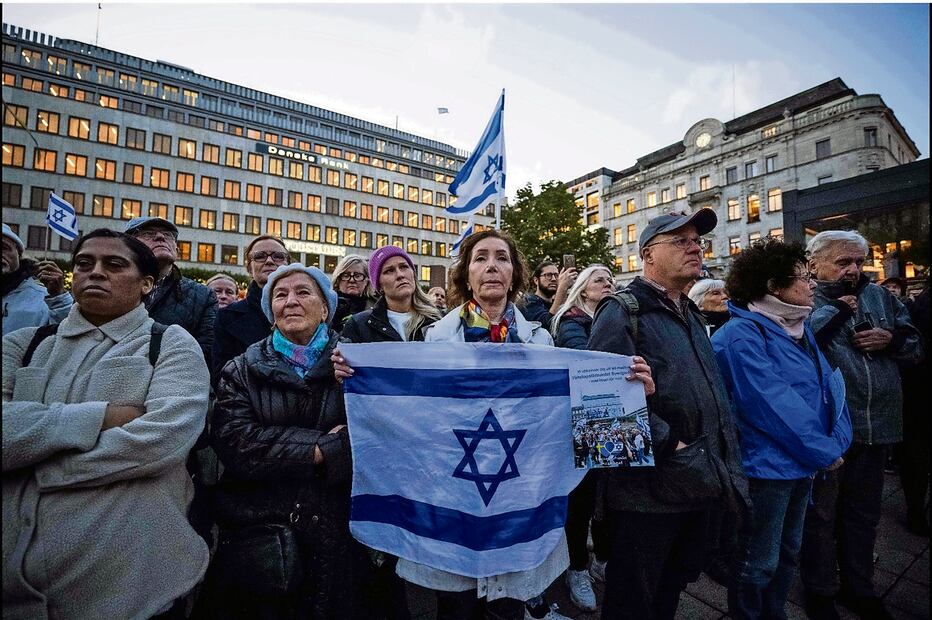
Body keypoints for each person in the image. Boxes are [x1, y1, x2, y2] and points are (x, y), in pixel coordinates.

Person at [336, 230, 653, 620]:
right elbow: (412, 420)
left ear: (514, 274)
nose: (491, 266)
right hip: (451, 502)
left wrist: (627, 390)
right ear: (466, 275)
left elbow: (572, 420)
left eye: (501, 258)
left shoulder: (542, 342)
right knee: (457, 609)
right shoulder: (433, 341)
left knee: (507, 607)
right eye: (480, 258)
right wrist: (359, 378)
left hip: (519, 502)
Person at [3, 228, 210, 619]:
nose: (95, 272)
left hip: (131, 593)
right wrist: (99, 416)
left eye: (114, 264)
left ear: (147, 283)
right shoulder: (23, 344)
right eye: (85, 263)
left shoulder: (171, 344)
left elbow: (163, 438)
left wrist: (34, 463)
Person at [588, 209, 749, 620]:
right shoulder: (622, 310)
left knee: (670, 590)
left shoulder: (692, 313)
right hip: (648, 496)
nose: (695, 247)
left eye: (697, 241)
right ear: (648, 254)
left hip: (695, 480)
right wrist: (673, 446)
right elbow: (602, 414)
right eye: (681, 241)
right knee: (632, 601)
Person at [206, 263, 371, 619]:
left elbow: (377, 438)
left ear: (326, 308)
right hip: (265, 534)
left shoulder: (360, 365)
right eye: (280, 295)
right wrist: (323, 449)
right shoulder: (240, 370)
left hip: (343, 532)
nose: (291, 301)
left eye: (303, 292)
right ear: (270, 312)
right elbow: (238, 444)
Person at [711, 238, 853, 620]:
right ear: (773, 286)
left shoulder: (795, 327)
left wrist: (834, 441)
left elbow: (827, 387)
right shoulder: (741, 335)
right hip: (766, 467)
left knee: (788, 550)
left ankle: (774, 613)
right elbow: (771, 404)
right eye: (802, 278)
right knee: (759, 560)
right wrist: (826, 450)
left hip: (800, 461)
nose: (812, 285)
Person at [800, 230, 923, 620]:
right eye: (842, 262)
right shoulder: (802, 297)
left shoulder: (882, 297)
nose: (852, 270)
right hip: (831, 428)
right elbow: (798, 349)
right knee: (822, 516)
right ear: (814, 263)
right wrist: (835, 311)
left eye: (857, 261)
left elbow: (916, 346)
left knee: (864, 514)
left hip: (878, 423)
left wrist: (891, 340)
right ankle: (820, 590)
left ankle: (860, 587)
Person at [550, 264, 617, 609]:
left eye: (611, 280)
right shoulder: (570, 321)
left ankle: (602, 560)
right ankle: (577, 567)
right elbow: (588, 360)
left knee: (609, 499)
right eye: (600, 280)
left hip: (614, 418)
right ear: (582, 289)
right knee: (582, 503)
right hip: (581, 422)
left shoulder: (617, 317)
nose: (608, 284)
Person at [124, 217, 217, 367]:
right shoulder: (109, 287)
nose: (160, 237)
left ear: (176, 251)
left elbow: (203, 356)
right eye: (148, 233)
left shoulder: (203, 296)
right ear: (127, 247)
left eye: (168, 235)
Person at [212, 234, 291, 381]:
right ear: (249, 267)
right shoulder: (227, 317)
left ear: (288, 263)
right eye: (260, 256)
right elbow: (221, 376)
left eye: (278, 256)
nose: (269, 260)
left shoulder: (305, 311)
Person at [342, 246, 440, 343]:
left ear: (413, 273)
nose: (400, 275)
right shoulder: (359, 325)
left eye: (404, 267)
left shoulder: (437, 320)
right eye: (389, 271)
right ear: (379, 285)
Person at [898, 277, 929, 536]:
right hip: (918, 393)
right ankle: (916, 510)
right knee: (916, 455)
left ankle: (916, 510)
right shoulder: (921, 306)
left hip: (916, 392)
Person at [2, 223, 73, 335]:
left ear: (18, 254)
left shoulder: (43, 299)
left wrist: (59, 298)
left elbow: (67, 333)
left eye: (4, 248)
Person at [519, 260, 578, 331]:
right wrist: (562, 288)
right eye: (548, 275)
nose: (553, 279)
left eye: (556, 275)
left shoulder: (554, 303)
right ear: (536, 280)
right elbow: (547, 325)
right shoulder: (528, 302)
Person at [331, 254, 375, 333]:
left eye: (358, 276)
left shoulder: (377, 308)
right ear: (338, 280)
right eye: (346, 275)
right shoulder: (327, 306)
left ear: (367, 281)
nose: (352, 280)